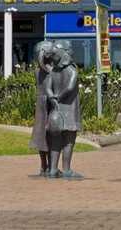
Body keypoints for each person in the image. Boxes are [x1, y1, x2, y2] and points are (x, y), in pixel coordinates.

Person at [45, 43, 82, 179]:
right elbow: (70, 87)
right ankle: (66, 169)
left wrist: (52, 97)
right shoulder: (72, 70)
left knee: (55, 140)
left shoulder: (53, 71)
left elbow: (48, 88)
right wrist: (59, 97)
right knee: (69, 140)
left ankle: (53, 169)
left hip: (56, 108)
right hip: (69, 108)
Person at [29, 40, 54, 176]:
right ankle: (46, 165)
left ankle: (48, 165)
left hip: (44, 104)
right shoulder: (46, 71)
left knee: (47, 135)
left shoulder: (42, 70)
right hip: (45, 104)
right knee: (44, 135)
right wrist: (42, 55)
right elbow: (45, 67)